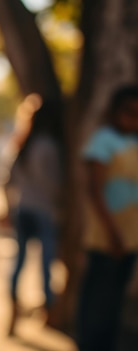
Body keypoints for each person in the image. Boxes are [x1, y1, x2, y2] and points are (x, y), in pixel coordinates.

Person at [76, 84, 138, 351]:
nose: (132, 119)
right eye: (128, 112)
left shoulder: (134, 143)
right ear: (114, 112)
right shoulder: (103, 140)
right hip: (106, 237)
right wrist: (113, 233)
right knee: (97, 304)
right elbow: (95, 189)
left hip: (130, 238)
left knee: (114, 306)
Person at [2, 96, 65, 336]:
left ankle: (13, 313)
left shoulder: (23, 144)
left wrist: (8, 209)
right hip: (45, 211)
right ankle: (48, 312)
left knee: (19, 263)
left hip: (23, 209)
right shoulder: (50, 147)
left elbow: (7, 180)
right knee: (46, 264)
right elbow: (54, 184)